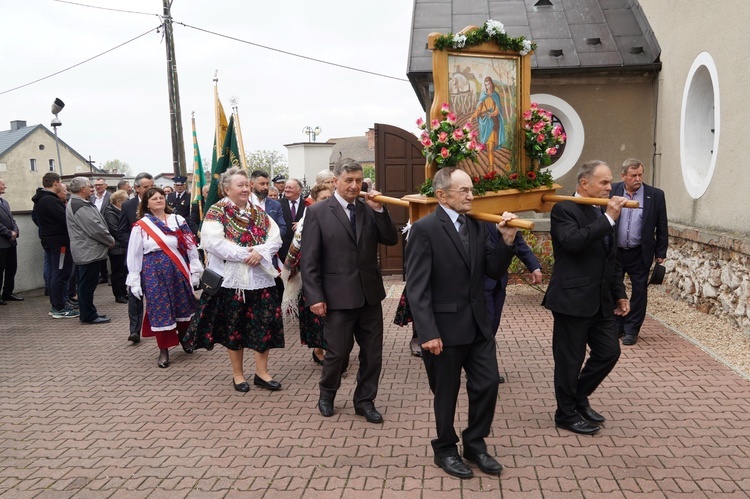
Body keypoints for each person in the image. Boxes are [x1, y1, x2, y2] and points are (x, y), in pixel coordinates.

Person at [405, 167, 518, 479]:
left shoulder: (478, 226)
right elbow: (416, 286)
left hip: (478, 325)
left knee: (488, 383)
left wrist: (507, 241)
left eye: (471, 190)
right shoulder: (425, 228)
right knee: (446, 392)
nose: (471, 196)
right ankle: (444, 448)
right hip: (443, 329)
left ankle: (475, 444)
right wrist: (427, 332)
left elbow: (493, 270)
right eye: (464, 191)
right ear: (443, 195)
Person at [301, 158, 399, 423]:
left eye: (359, 180)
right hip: (337, 297)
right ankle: (327, 394)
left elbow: (390, 239)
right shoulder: (318, 212)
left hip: (369, 295)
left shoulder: (368, 209)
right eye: (349, 180)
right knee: (337, 353)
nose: (355, 186)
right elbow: (309, 260)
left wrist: (379, 210)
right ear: (336, 181)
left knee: (372, 353)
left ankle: (365, 400)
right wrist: (315, 296)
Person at [542, 160, 630, 435]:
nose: (610, 187)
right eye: (604, 182)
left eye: (610, 182)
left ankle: (577, 397)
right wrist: (608, 219)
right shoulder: (564, 209)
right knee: (570, 360)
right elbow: (573, 243)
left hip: (601, 301)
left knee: (609, 352)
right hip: (572, 300)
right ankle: (565, 414)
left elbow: (612, 259)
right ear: (584, 184)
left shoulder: (603, 213)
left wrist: (620, 293)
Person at [185, 168, 284, 392]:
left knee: (264, 325)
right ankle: (238, 375)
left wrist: (260, 252)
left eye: (247, 185)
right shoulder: (216, 211)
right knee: (234, 327)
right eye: (240, 185)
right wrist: (245, 254)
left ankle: (262, 372)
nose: (246, 188)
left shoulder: (258, 212)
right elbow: (212, 242)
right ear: (227, 189)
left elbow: (275, 238)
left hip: (260, 278)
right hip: (232, 281)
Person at [127, 187, 203, 368]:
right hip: (153, 271)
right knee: (160, 308)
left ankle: (185, 339)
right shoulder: (141, 227)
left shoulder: (178, 220)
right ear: (146, 203)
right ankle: (164, 349)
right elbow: (134, 255)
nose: (159, 200)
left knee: (183, 304)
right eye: (154, 198)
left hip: (177, 268)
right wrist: (134, 280)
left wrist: (195, 269)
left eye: (161, 197)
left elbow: (190, 245)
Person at [611, 158, 668, 346]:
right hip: (615, 251)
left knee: (639, 291)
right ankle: (618, 325)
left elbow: (662, 225)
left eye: (640, 175)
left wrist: (661, 251)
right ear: (623, 176)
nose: (638, 179)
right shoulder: (612, 191)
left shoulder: (655, 195)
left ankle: (632, 329)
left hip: (640, 252)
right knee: (613, 288)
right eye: (633, 175)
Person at [281, 183, 333, 365]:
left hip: (335, 276)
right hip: (314, 277)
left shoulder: (338, 216)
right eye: (324, 199)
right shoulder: (307, 220)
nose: (328, 202)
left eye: (330, 198)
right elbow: (295, 251)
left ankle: (333, 351)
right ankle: (320, 351)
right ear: (314, 201)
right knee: (318, 318)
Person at [483, 226, 542, 382]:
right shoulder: (474, 218)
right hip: (480, 284)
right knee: (485, 327)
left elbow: (519, 243)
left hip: (499, 283)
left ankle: (481, 366)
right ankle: (483, 369)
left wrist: (534, 267)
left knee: (493, 325)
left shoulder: (506, 218)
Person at [66, 177, 115, 325]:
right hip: (87, 252)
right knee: (86, 286)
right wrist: (110, 240)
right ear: (82, 189)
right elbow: (94, 229)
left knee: (85, 285)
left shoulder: (79, 203)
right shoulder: (78, 205)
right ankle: (88, 315)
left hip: (87, 251)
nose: (92, 188)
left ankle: (88, 313)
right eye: (89, 186)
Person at [32, 173, 79, 318]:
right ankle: (58, 307)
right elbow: (65, 220)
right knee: (60, 273)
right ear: (55, 183)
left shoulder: (41, 199)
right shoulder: (50, 200)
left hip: (51, 241)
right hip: (59, 243)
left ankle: (59, 303)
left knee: (55, 273)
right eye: (60, 183)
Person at [117, 172, 155, 343]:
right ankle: (134, 330)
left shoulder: (160, 204)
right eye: (146, 187)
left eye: (152, 187)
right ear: (137, 188)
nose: (150, 190)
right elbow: (122, 231)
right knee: (134, 295)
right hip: (136, 259)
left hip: (156, 260)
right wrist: (135, 244)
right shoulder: (127, 206)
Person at [103, 190, 130, 303]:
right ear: (119, 202)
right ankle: (118, 294)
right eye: (126, 200)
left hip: (123, 246)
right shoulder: (110, 213)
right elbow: (115, 229)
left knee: (124, 271)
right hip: (117, 247)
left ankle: (124, 292)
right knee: (117, 272)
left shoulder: (121, 211)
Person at [472, 76, 504, 170]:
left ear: (491, 84)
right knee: (486, 146)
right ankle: (490, 167)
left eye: (489, 84)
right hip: (485, 123)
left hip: (492, 123)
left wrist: (493, 114)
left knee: (490, 146)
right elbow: (478, 110)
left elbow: (498, 109)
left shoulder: (496, 95)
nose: (487, 86)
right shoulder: (483, 96)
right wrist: (472, 117)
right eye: (486, 85)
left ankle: (491, 167)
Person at [0, 178, 22, 304]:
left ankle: (8, 292)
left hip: (11, 242)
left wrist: (16, 231)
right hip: (2, 242)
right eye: (2, 184)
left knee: (11, 268)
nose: (5, 186)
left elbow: (12, 219)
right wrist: (9, 233)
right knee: (0, 269)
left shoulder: (5, 202)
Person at [90, 178, 111, 285]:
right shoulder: (91, 198)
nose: (98, 187)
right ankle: (103, 275)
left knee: (111, 253)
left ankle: (110, 276)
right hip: (95, 229)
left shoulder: (110, 197)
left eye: (100, 185)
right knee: (100, 253)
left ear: (105, 186)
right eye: (96, 185)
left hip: (108, 227)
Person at [279, 178, 305, 262]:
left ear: (299, 190)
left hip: (302, 250)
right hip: (283, 251)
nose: (287, 190)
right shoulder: (278, 204)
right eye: (286, 187)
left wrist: (302, 223)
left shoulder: (307, 204)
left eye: (290, 188)